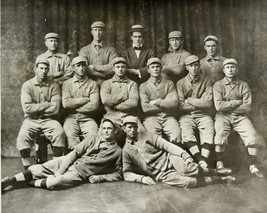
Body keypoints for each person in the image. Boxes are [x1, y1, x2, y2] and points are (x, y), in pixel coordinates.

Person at [2, 119, 122, 192]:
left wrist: (101, 178)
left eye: (109, 129)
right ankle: (9, 181)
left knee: (53, 183)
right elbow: (74, 153)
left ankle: (25, 183)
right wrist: (61, 170)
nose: (106, 131)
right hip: (68, 161)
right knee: (39, 168)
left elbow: (118, 173)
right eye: (104, 128)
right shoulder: (92, 138)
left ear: (115, 131)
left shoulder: (117, 151)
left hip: (79, 173)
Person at [122, 116, 235, 188]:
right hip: (161, 174)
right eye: (129, 127)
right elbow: (126, 173)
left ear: (137, 127)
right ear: (124, 129)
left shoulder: (147, 135)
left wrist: (184, 154)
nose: (132, 130)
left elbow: (167, 145)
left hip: (169, 159)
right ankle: (217, 179)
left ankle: (214, 171)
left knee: (189, 169)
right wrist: (141, 178)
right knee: (188, 182)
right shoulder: (126, 150)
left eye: (134, 127)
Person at [213, 58, 264, 178]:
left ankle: (253, 165)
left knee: (252, 136)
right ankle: (220, 164)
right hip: (222, 116)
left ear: (237, 69)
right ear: (224, 70)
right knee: (220, 135)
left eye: (233, 67)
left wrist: (229, 107)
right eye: (227, 67)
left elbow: (247, 107)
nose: (230, 70)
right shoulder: (218, 85)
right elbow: (218, 106)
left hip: (240, 117)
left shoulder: (243, 85)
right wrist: (236, 102)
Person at [16, 57, 65, 170]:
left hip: (49, 120)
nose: (43, 71)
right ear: (35, 69)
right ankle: (27, 169)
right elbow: (27, 108)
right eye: (41, 68)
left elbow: (55, 109)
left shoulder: (54, 85)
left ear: (48, 70)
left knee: (59, 132)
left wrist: (37, 108)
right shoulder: (27, 85)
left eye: (46, 69)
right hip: (31, 120)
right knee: (23, 136)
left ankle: (55, 167)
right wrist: (46, 104)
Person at [176, 55, 216, 170]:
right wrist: (200, 103)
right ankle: (201, 161)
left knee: (208, 130)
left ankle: (203, 162)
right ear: (187, 68)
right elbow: (180, 105)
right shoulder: (180, 83)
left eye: (196, 65)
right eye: (190, 66)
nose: (194, 68)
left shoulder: (207, 81)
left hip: (204, 115)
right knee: (186, 131)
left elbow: (208, 103)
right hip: (187, 115)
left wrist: (189, 100)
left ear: (199, 66)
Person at [100, 57, 143, 147]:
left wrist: (114, 106)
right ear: (113, 69)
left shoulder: (132, 84)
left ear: (126, 69)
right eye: (118, 67)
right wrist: (123, 97)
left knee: (142, 134)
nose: (120, 69)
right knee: (100, 138)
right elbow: (105, 100)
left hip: (129, 116)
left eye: (123, 67)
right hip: (111, 117)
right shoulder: (106, 83)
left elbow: (133, 102)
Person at [62, 56, 99, 152]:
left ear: (86, 67)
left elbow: (94, 105)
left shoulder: (93, 84)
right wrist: (85, 99)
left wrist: (75, 108)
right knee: (70, 134)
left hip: (87, 118)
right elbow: (66, 104)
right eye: (78, 66)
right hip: (71, 118)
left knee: (93, 134)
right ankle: (74, 161)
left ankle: (88, 161)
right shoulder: (67, 84)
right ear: (73, 68)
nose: (81, 68)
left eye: (83, 65)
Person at [139, 57, 180, 144]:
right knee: (154, 138)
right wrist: (166, 104)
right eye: (152, 67)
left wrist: (157, 102)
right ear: (148, 70)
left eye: (157, 66)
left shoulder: (169, 83)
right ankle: (161, 157)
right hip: (151, 117)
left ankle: (173, 157)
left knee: (176, 135)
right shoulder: (143, 86)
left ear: (161, 68)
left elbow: (174, 103)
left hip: (168, 117)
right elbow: (145, 108)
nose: (155, 69)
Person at [79, 21, 118, 85]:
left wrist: (94, 67)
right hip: (88, 84)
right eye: (95, 30)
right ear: (92, 32)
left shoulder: (111, 50)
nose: (97, 33)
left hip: (108, 84)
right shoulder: (84, 50)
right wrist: (103, 75)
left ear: (104, 33)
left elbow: (113, 68)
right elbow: (84, 68)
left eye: (100, 30)